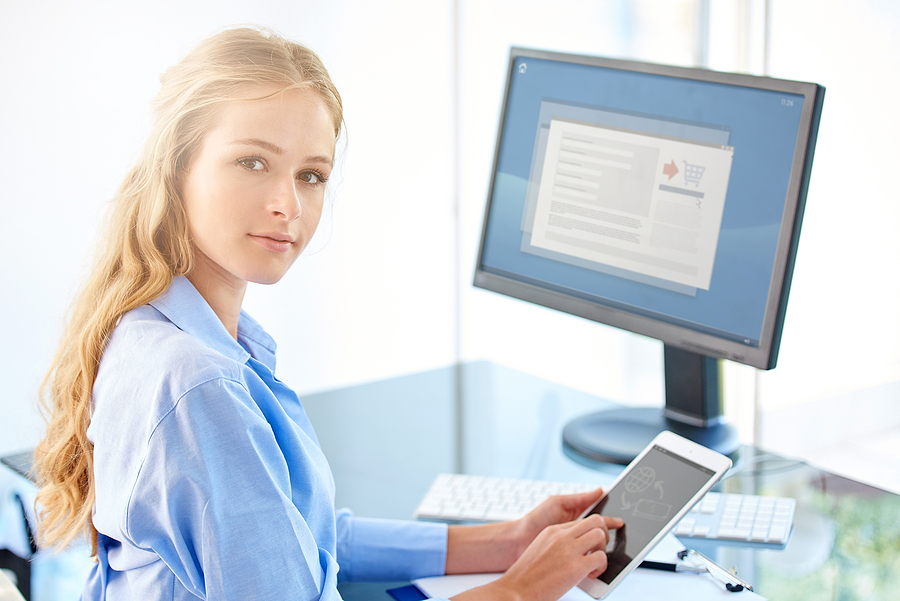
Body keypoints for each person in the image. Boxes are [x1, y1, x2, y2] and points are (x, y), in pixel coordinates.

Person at [33, 26, 622, 601]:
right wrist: (521, 590)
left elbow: (304, 539)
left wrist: (509, 541)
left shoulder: (162, 328)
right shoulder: (198, 382)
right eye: (253, 163)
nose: (287, 205)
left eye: (310, 175)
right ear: (176, 165)